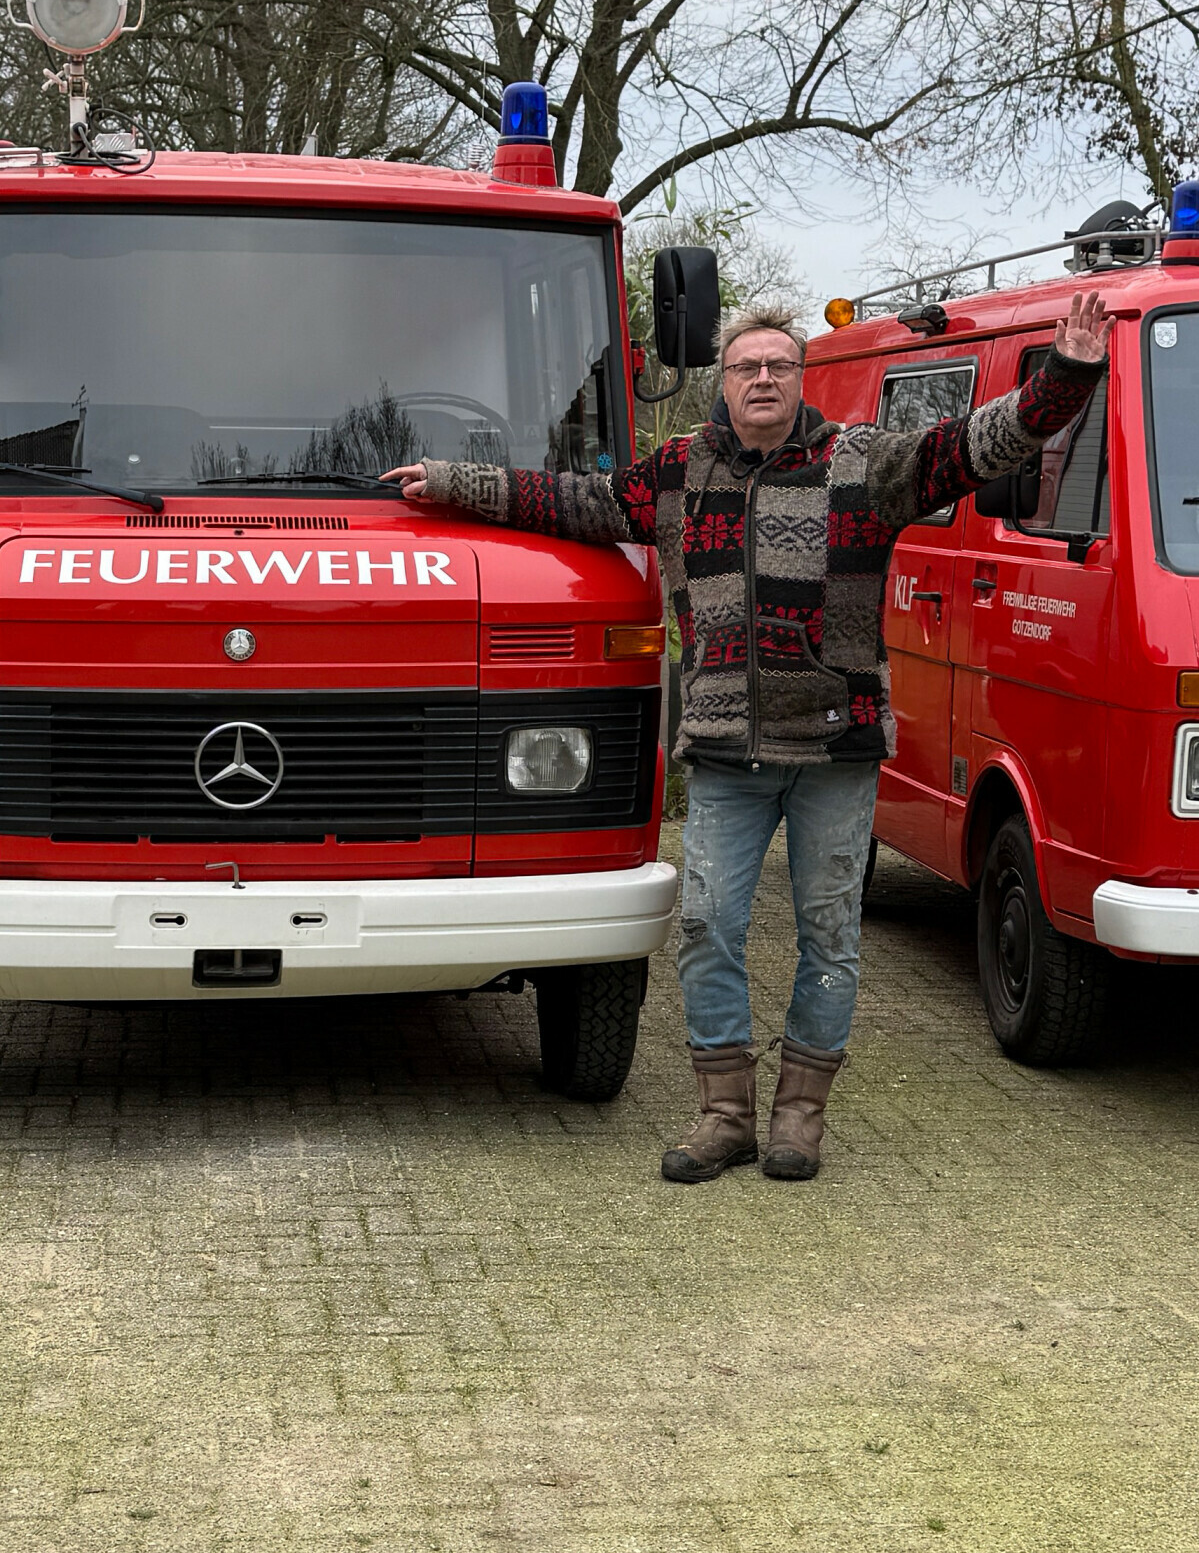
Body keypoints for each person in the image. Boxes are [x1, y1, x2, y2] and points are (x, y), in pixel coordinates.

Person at [389, 292, 1110, 1181]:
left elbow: (974, 445)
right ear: (722, 384)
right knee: (708, 925)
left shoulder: (867, 465)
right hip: (727, 754)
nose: (762, 378)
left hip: (834, 750)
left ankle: (800, 1117)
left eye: (778, 364)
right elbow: (571, 498)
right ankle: (723, 1114)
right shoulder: (679, 472)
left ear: (799, 378)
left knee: (830, 934)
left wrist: (1068, 377)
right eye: (745, 367)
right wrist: (456, 483)